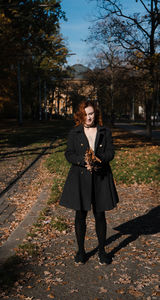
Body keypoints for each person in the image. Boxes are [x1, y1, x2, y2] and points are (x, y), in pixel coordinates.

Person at [59, 100, 119, 265]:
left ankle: (101, 251)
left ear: (96, 113)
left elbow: (110, 152)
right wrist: (82, 161)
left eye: (91, 113)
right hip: (80, 177)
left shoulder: (104, 131)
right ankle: (81, 251)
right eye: (85, 114)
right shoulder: (74, 133)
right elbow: (68, 154)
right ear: (80, 115)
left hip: (101, 177)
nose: (89, 117)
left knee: (100, 214)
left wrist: (98, 161)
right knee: (80, 215)